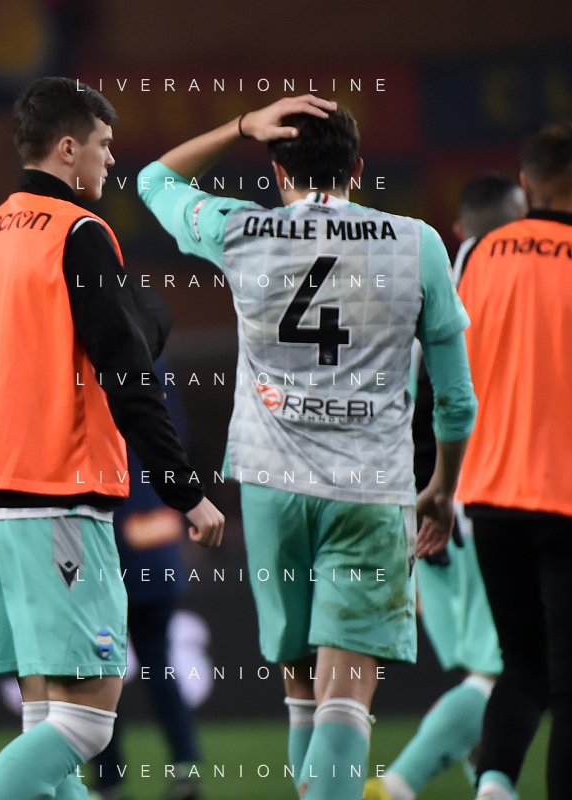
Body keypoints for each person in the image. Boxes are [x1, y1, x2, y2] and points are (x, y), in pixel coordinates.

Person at [139, 96, 477, 800]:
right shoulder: (416, 243)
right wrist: (442, 489)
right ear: (358, 168)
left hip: (270, 485)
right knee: (346, 695)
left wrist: (240, 126)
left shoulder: (241, 229)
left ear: (276, 170)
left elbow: (153, 180)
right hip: (368, 488)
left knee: (299, 686)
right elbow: (454, 398)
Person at [0, 76, 225, 800]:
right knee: (86, 722)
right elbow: (130, 376)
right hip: (57, 498)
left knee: (45, 713)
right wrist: (186, 492)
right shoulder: (77, 233)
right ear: (68, 148)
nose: (111, 159)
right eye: (103, 145)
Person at [363, 172, 524, 800]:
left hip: (422, 502)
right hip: (478, 500)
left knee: (487, 667)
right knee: (502, 671)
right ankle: (399, 785)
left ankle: (489, 784)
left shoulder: (427, 286)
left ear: (459, 229)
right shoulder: (510, 288)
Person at [457, 121, 572, 800]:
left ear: (525, 183)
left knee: (521, 665)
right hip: (564, 498)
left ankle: (494, 785)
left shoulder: (479, 256)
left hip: (490, 495)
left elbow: (446, 376)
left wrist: (437, 484)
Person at [90, 364, 204, 800]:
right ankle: (186, 764)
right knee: (159, 663)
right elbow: (178, 446)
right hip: (157, 543)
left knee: (99, 671)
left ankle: (109, 781)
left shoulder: (89, 368)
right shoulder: (157, 370)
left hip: (105, 545)